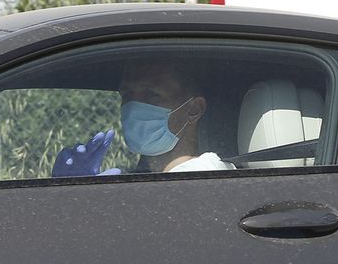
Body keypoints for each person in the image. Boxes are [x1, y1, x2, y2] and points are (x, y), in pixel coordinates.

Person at [52, 59, 234, 176]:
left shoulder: (206, 176)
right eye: (127, 95)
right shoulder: (143, 179)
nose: (133, 107)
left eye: (152, 94)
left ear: (194, 110)